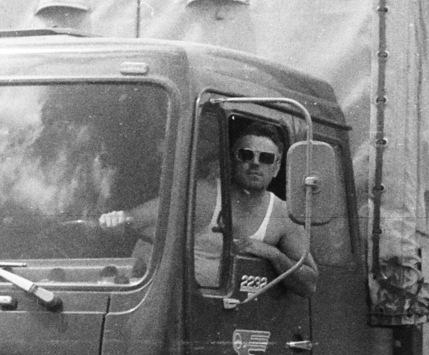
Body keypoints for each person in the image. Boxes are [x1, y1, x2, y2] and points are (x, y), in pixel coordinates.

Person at [98, 122, 316, 296]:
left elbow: (310, 284)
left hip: (242, 321)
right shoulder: (204, 195)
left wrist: (273, 254)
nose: (255, 163)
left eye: (266, 158)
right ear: (232, 160)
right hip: (185, 310)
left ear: (277, 167)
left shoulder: (283, 215)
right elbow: (134, 220)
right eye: (246, 155)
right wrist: (116, 220)